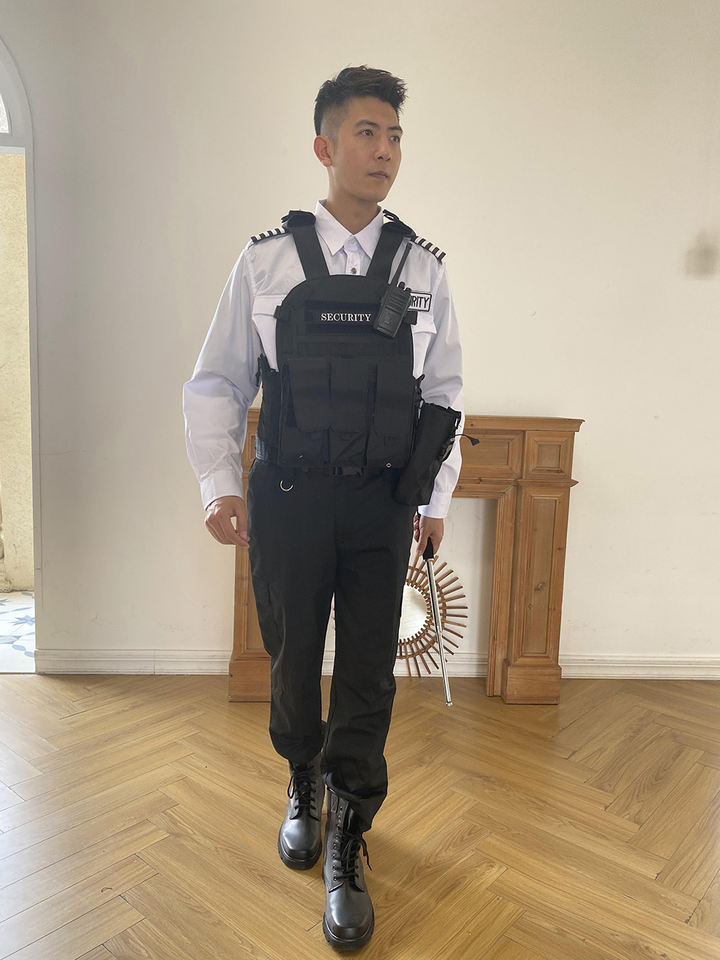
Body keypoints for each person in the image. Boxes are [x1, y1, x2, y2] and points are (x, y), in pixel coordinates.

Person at [182, 65, 464, 951]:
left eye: (395, 136)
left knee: (371, 670)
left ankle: (349, 830)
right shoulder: (264, 262)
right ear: (325, 145)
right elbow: (217, 381)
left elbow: (445, 391)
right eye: (367, 133)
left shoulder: (423, 268)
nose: (386, 151)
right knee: (293, 653)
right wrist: (220, 483)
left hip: (382, 505)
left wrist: (434, 497)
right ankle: (302, 779)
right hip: (289, 498)